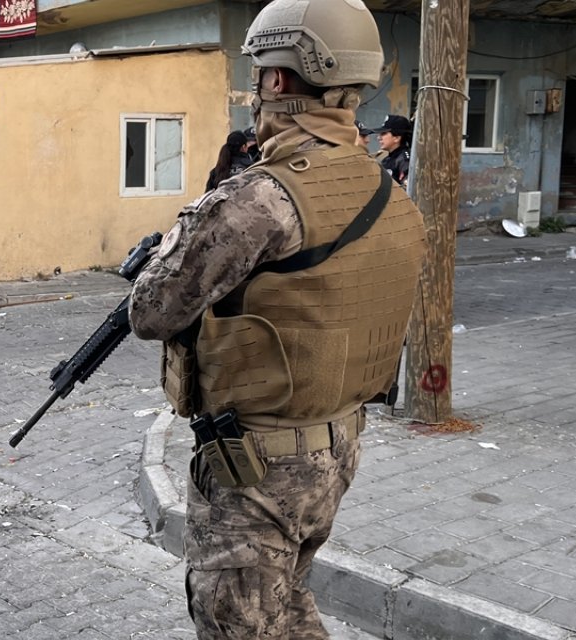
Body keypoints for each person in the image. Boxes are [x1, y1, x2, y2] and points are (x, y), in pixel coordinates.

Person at [127, 0, 427, 636]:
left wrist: (166, 255)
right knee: (287, 606)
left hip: (257, 465)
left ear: (280, 78)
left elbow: (152, 312)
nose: (257, 90)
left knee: (236, 622)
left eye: (261, 72)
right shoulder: (386, 189)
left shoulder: (257, 197)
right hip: (337, 446)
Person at [375, 114, 413, 186]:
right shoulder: (386, 160)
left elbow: (407, 189)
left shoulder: (404, 160)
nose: (379, 138)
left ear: (397, 138)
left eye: (383, 133)